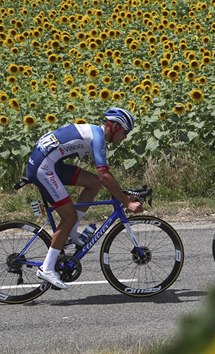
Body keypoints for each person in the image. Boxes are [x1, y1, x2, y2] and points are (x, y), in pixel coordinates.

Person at [26, 107, 143, 289]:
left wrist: (120, 194)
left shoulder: (94, 132)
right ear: (114, 127)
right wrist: (127, 202)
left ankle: (71, 233)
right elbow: (105, 175)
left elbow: (101, 180)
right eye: (125, 132)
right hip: (44, 167)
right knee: (69, 215)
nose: (125, 137)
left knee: (94, 183)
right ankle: (47, 268)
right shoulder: (98, 137)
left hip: (50, 162)